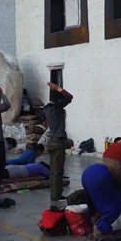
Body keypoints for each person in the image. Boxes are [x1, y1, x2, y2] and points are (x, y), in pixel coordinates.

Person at [44, 81, 73, 209]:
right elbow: (69, 97)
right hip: (58, 142)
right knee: (58, 172)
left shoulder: (47, 109)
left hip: (51, 141)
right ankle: (56, 195)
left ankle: (54, 193)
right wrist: (58, 88)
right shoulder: (56, 108)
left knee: (53, 171)